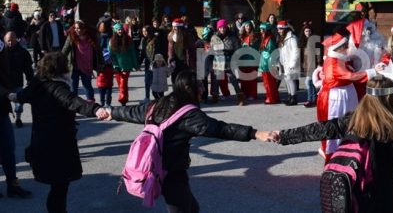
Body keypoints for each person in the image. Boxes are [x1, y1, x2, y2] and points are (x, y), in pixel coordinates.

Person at [276, 77, 393, 212]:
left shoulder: (352, 120)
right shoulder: (391, 128)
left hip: (354, 197)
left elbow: (317, 130)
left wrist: (282, 136)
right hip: (385, 201)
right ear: (389, 99)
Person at [104, 70, 275, 213]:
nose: (202, 90)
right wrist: (255, 133)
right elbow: (221, 129)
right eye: (199, 86)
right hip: (171, 172)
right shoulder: (189, 115)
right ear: (188, 88)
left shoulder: (158, 104)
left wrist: (111, 112)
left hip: (155, 168)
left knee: (192, 208)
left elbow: (132, 112)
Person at [11, 52, 109, 211]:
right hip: (57, 146)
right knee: (60, 187)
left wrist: (11, 95)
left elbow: (21, 96)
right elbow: (72, 101)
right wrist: (95, 109)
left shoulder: (38, 84)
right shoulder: (57, 86)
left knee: (57, 186)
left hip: (41, 143)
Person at [317, 26, 382, 160]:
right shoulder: (334, 62)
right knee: (335, 128)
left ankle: (348, 152)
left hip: (343, 98)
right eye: (345, 46)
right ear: (338, 48)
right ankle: (333, 156)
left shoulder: (341, 59)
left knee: (348, 126)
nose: (348, 48)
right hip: (335, 101)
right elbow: (350, 76)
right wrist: (372, 71)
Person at [62, 21, 103, 103]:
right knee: (73, 87)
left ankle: (91, 104)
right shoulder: (72, 37)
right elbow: (64, 51)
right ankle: (73, 106)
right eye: (75, 28)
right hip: (74, 66)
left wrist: (101, 63)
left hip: (87, 66)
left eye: (79, 28)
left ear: (84, 29)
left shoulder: (91, 38)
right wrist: (59, 61)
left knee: (87, 86)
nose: (77, 30)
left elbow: (98, 52)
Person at [3, 32, 33, 128]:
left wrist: (30, 79)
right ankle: (5, 120)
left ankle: (18, 118)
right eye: (8, 41)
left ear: (16, 40)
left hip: (17, 82)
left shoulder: (22, 52)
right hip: (4, 83)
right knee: (3, 104)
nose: (10, 43)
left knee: (19, 103)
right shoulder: (2, 52)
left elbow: (28, 67)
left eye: (12, 41)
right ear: (5, 40)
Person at [210, 19, 241, 103]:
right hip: (218, 59)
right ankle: (215, 96)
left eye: (224, 27)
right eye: (220, 27)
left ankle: (240, 96)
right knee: (216, 79)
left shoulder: (232, 36)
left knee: (232, 79)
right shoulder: (214, 37)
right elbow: (211, 49)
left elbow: (237, 49)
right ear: (218, 28)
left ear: (226, 27)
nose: (222, 29)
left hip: (229, 60)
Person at [109, 22, 139, 106]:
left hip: (126, 65)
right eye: (118, 30)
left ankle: (123, 99)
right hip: (117, 66)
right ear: (115, 31)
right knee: (120, 84)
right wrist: (115, 65)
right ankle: (125, 95)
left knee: (123, 82)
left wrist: (136, 65)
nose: (120, 31)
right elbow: (111, 55)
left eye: (121, 29)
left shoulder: (128, 39)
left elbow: (133, 53)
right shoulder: (111, 41)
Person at [277, 20, 301, 106]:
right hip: (285, 62)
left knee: (290, 80)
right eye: (278, 29)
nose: (279, 31)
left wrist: (292, 63)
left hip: (291, 63)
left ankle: (293, 98)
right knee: (287, 80)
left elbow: (296, 51)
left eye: (280, 29)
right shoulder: (283, 37)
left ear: (285, 29)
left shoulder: (292, 38)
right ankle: (290, 96)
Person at [237, 20, 259, 104]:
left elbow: (257, 48)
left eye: (249, 26)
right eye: (246, 26)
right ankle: (244, 94)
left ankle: (252, 94)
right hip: (243, 60)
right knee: (243, 78)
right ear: (244, 27)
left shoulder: (255, 37)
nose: (248, 27)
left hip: (252, 60)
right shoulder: (241, 37)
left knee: (252, 78)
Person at [300, 22, 321, 108]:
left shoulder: (314, 40)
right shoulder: (304, 41)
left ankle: (310, 99)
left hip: (313, 64)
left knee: (308, 82)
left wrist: (319, 63)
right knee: (311, 82)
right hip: (306, 64)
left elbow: (318, 52)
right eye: (306, 31)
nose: (308, 33)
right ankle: (314, 99)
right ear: (303, 32)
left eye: (309, 31)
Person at [258, 22, 280, 104]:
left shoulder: (269, 39)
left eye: (262, 29)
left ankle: (271, 98)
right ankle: (273, 96)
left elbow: (272, 51)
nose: (261, 31)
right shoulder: (265, 38)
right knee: (269, 82)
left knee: (268, 82)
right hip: (265, 62)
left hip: (267, 63)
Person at [168, 18, 194, 85]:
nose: (174, 28)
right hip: (175, 62)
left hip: (185, 62)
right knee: (174, 80)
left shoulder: (187, 36)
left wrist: (191, 64)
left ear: (180, 27)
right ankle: (176, 94)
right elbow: (170, 50)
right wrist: (170, 60)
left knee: (184, 81)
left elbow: (191, 50)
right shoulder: (171, 36)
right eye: (173, 27)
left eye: (175, 27)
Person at [139, 26, 158, 103]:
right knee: (147, 81)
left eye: (146, 31)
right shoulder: (143, 40)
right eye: (143, 31)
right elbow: (143, 53)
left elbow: (157, 52)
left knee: (155, 82)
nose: (144, 33)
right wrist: (138, 64)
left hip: (155, 63)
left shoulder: (155, 40)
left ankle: (158, 98)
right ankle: (147, 97)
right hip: (148, 63)